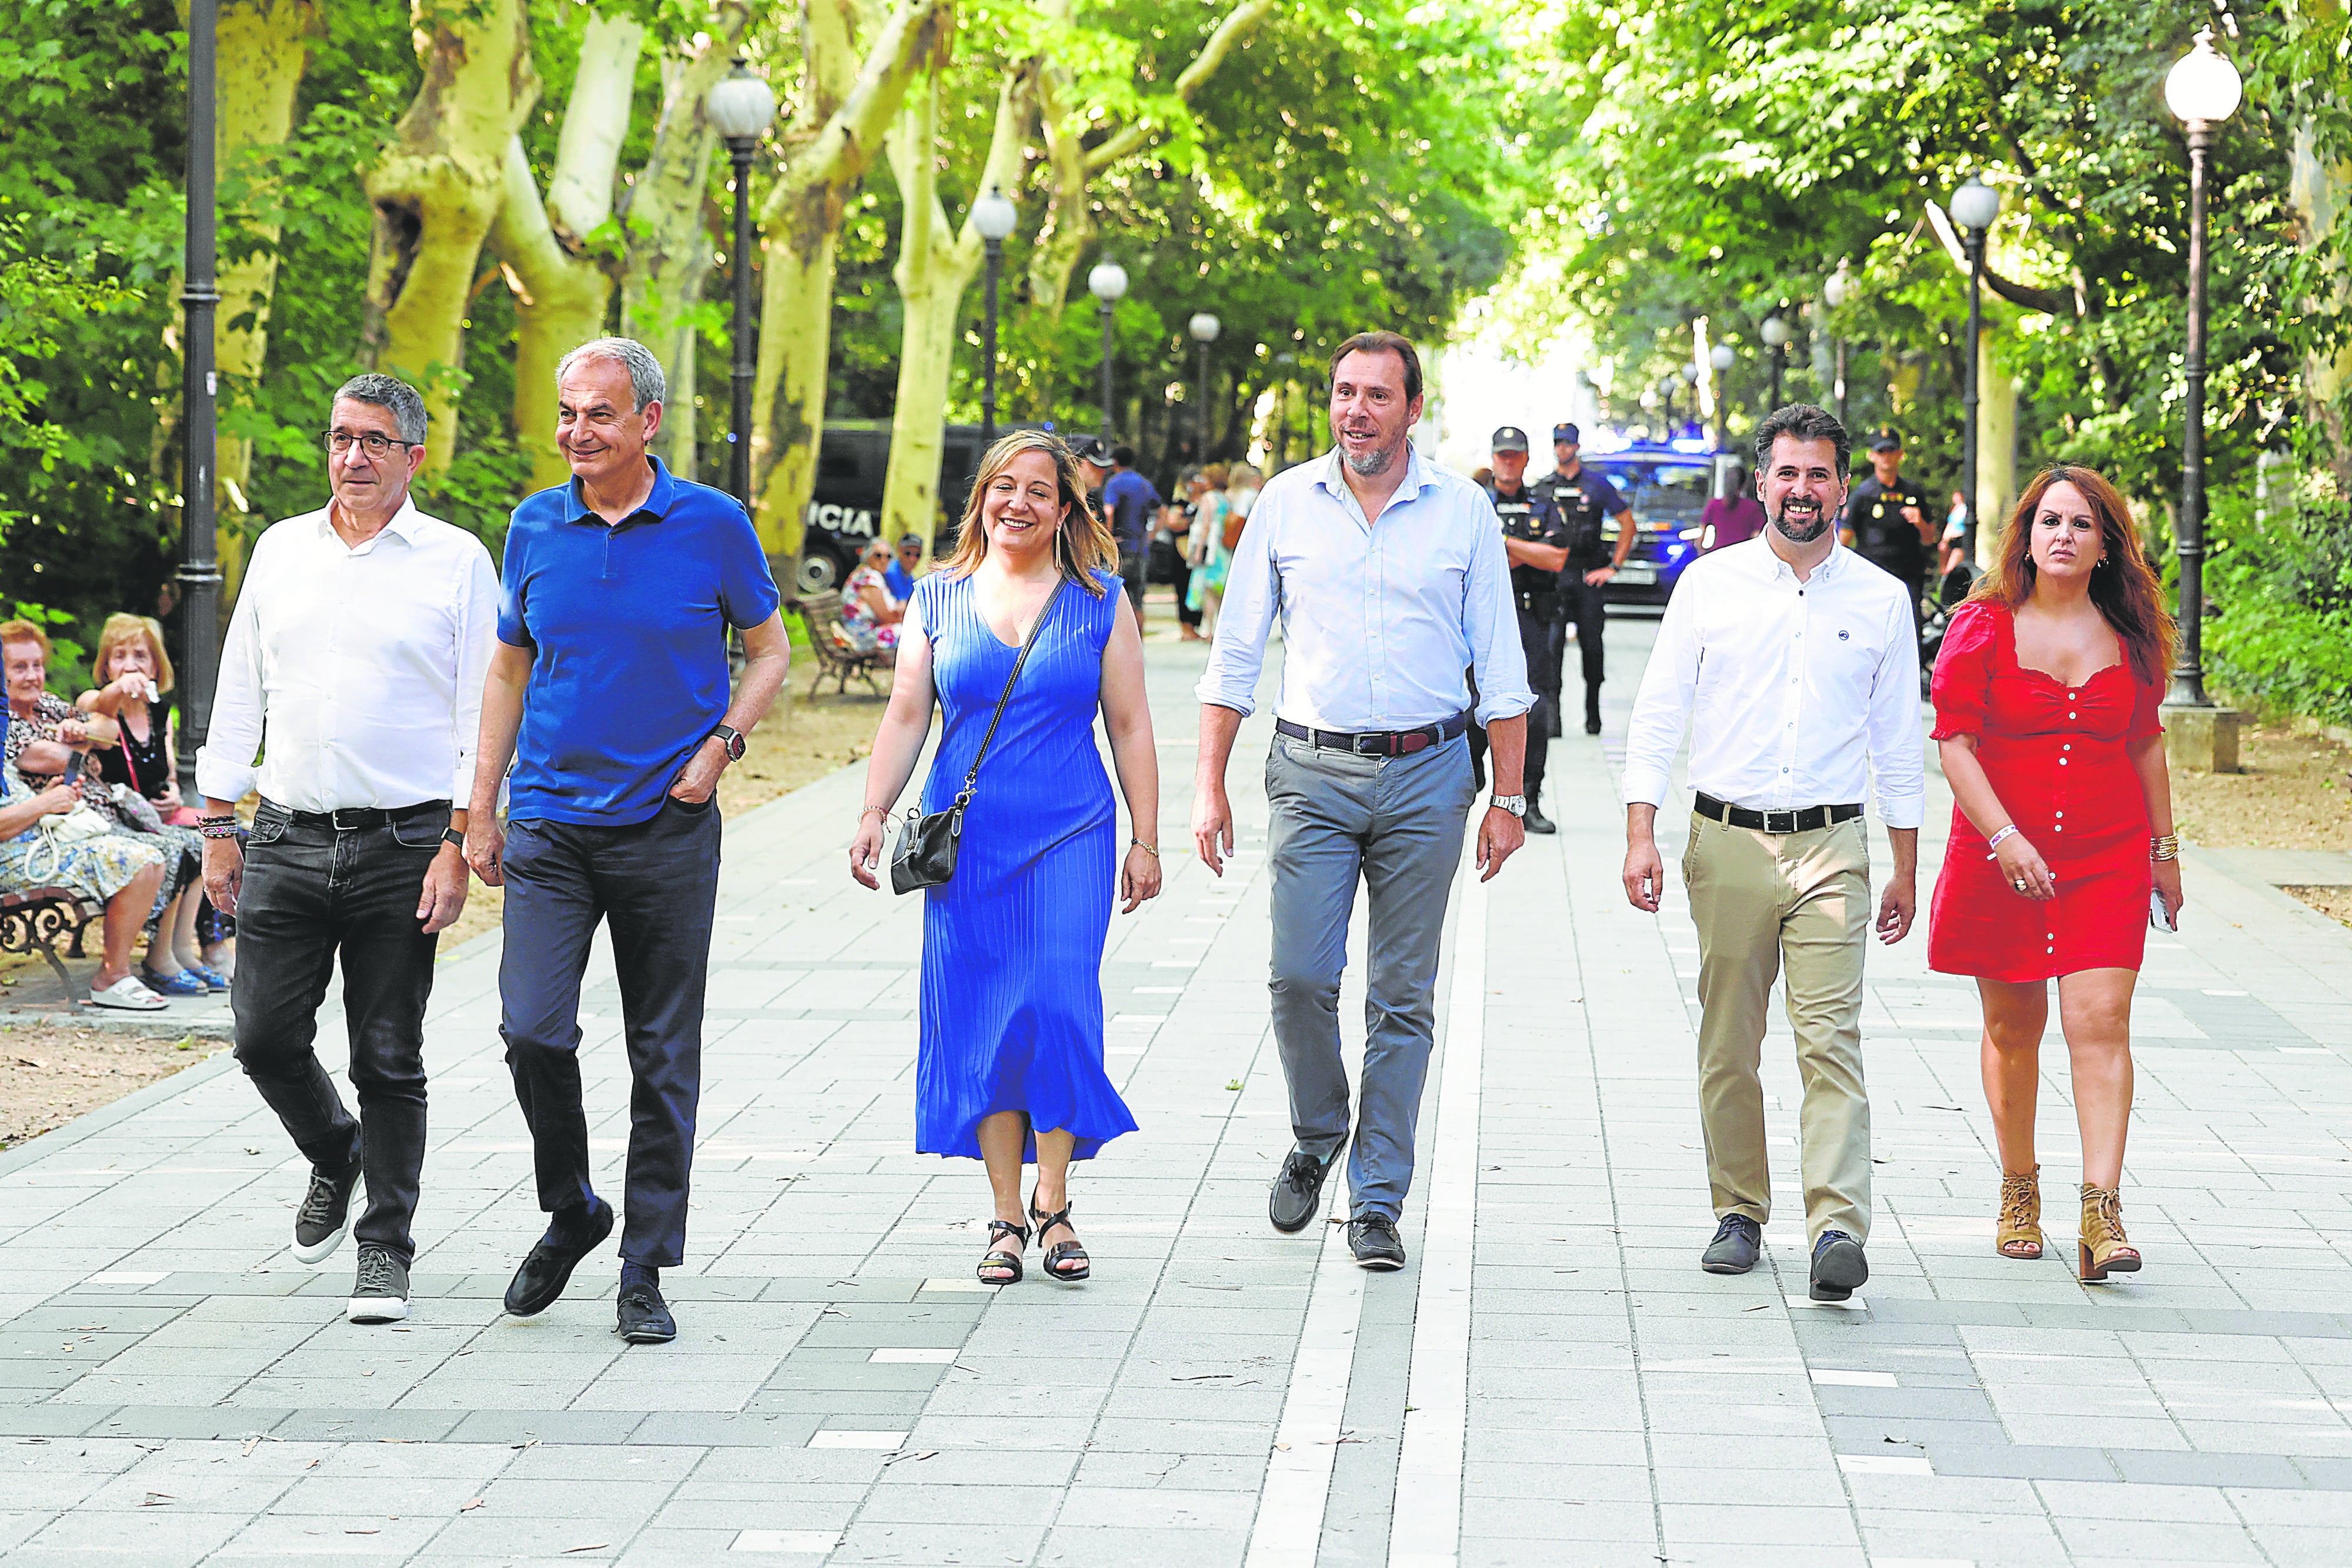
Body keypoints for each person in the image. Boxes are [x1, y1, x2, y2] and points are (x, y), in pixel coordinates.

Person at [467, 337, 790, 1346]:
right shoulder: (534, 524)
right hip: (552, 823)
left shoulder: (712, 523)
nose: (577, 432)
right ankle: (573, 1208)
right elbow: (510, 672)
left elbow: (770, 646)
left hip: (668, 824)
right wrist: (479, 805)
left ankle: (644, 1263)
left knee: (661, 1052)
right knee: (533, 1029)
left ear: (648, 420)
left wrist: (723, 745)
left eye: (597, 414)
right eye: (568, 414)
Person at [1194, 330, 1534, 1272]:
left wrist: (1507, 795)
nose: (1357, 410)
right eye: (1344, 393)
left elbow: (1502, 666)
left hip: (1431, 775)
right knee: (1299, 974)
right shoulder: (1285, 504)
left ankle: (1377, 1196)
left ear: (1413, 410)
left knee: (1402, 996)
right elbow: (1234, 655)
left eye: (1378, 395)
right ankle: (1318, 1131)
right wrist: (1206, 782)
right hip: (1311, 771)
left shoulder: (1462, 510)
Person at [195, 372, 497, 1323]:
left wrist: (460, 837)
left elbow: (480, 710)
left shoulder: (454, 561)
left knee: (387, 1052)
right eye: (340, 438)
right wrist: (215, 823)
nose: (353, 456)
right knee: (263, 1035)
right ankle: (338, 1153)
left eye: (374, 440)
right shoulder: (282, 549)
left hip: (404, 840)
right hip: (284, 832)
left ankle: (385, 1245)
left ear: (414, 454)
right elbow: (239, 684)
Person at [1619, 403, 1923, 1303]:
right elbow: (1659, 712)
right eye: (1787, 473)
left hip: (1833, 843)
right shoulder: (1709, 586)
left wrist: (1907, 862)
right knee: (1730, 1041)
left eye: (1819, 473)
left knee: (1831, 1040)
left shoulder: (1880, 597)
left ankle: (1836, 1224)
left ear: (1842, 486)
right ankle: (1740, 1210)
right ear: (1761, 483)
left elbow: (1901, 739)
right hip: (1728, 842)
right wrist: (1641, 830)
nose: (1803, 490)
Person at [849, 431, 1160, 1285]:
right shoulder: (938, 597)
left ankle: (1055, 1200)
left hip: (1071, 831)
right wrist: (874, 811)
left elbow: (1130, 724)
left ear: (1066, 509)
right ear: (982, 498)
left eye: (1038, 490)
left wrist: (1147, 836)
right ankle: (1005, 1214)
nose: (1018, 503)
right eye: (1003, 487)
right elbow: (908, 711)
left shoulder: (1100, 599)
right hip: (970, 845)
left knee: (1058, 1003)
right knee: (986, 1015)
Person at [1927, 466, 2180, 1282]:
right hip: (2004, 855)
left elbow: (2145, 742)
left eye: (2081, 523)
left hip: (2105, 854)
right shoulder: (1983, 625)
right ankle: (2018, 1188)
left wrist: (2164, 853)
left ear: (2106, 545)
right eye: (2049, 521)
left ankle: (2103, 1212)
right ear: (2027, 537)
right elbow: (1955, 740)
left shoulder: (2131, 637)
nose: (2064, 535)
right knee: (2013, 1029)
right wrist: (2004, 836)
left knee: (2100, 1020)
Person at [3, 620, 206, 1000]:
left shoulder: (46, 703)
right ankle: (137, 967)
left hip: (91, 818)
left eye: (37, 665)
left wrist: (84, 735)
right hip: (59, 830)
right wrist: (83, 743)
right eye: (20, 667)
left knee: (199, 842)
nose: (33, 676)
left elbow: (107, 731)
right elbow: (56, 759)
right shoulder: (6, 722)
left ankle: (175, 956)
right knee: (163, 851)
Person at [76, 614, 226, 992]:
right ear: (105, 665)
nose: (130, 665)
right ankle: (162, 958)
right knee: (185, 846)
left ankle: (205, 948)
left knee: (223, 833)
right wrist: (121, 689)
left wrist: (173, 793)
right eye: (119, 656)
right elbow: (101, 703)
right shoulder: (95, 706)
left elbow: (169, 773)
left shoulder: (160, 711)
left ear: (156, 665)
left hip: (157, 816)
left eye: (140, 656)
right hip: (113, 818)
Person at [0, 759, 166, 1009]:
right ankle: (113, 977)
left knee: (151, 859)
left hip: (42, 850)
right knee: (141, 861)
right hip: (16, 864)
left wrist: (53, 797)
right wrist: (44, 803)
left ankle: (117, 974)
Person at [1468, 426, 1569, 834]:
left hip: (1530, 617)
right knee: (1468, 703)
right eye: (1502, 455)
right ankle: (1470, 780)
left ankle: (1528, 797)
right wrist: (1526, 550)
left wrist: (1503, 544)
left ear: (1526, 459)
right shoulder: (1474, 502)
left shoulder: (1543, 504)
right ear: (1493, 458)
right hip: (1479, 620)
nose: (1508, 462)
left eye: (1515, 455)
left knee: (1535, 708)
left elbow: (1557, 558)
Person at [1529, 422, 1637, 735]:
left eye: (1568, 443)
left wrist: (1613, 568)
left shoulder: (1596, 485)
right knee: (1551, 652)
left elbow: (1627, 524)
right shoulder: (1543, 488)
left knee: (1593, 650)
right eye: (1558, 443)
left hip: (1588, 576)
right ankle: (1553, 722)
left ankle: (1593, 715)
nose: (1562, 448)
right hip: (1553, 580)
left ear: (1577, 447)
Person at [1840, 429, 1935, 634]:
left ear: (1900, 454)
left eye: (1891, 451)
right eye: (1881, 452)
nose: (1887, 457)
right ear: (1872, 456)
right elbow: (1843, 539)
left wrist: (1920, 522)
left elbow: (1929, 539)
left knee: (1910, 633)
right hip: (1872, 576)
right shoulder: (1863, 495)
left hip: (1908, 576)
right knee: (1871, 632)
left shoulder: (1913, 492)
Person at [1102, 445, 1162, 621]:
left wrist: (1108, 536)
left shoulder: (1114, 483)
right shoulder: (1143, 483)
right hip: (1140, 546)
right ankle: (1139, 644)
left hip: (1120, 548)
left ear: (1114, 462)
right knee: (1137, 601)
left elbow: (1109, 511)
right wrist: (1152, 533)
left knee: (1115, 600)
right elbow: (1162, 510)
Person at [1182, 465, 1234, 635]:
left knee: (1208, 588)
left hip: (1211, 549)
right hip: (1223, 547)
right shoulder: (1225, 499)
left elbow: (1206, 525)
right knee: (1219, 590)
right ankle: (1220, 628)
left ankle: (1210, 629)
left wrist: (1198, 549)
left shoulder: (1208, 498)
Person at [839, 536, 905, 660]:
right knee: (912, 634)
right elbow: (885, 617)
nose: (884, 560)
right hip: (862, 638)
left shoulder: (867, 574)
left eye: (889, 556)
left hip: (864, 633)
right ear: (867, 556)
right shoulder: (868, 578)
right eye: (878, 555)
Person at [1699, 463, 1768, 550]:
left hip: (1716, 557)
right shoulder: (1753, 508)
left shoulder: (1714, 505)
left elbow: (1702, 533)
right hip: (1742, 558)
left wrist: (1702, 554)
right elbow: (1757, 536)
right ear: (1744, 485)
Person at [886, 533, 924, 601]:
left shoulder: (910, 577)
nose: (913, 559)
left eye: (917, 555)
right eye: (908, 553)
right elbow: (903, 604)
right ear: (899, 551)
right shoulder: (891, 572)